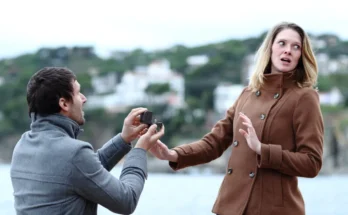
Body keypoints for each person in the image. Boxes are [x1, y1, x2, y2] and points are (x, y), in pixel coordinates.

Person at [150, 22, 324, 215]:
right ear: (270, 48)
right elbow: (214, 143)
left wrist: (262, 150)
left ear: (301, 55)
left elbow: (312, 163)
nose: (288, 51)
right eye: (282, 43)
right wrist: (174, 155)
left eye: (296, 47)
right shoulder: (247, 94)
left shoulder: (304, 97)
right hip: (231, 206)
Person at [10, 67, 164, 215]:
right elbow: (126, 200)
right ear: (64, 103)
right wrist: (140, 150)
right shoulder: (74, 154)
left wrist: (124, 139)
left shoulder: (22, 145)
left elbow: (83, 172)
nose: (84, 98)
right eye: (78, 93)